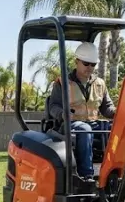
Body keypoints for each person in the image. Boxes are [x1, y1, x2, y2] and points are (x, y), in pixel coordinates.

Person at [47, 41, 115, 180]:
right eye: (86, 63)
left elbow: (107, 107)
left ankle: (113, 172)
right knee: (84, 129)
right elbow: (53, 106)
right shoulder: (63, 82)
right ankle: (86, 175)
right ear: (76, 61)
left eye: (93, 64)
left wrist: (117, 111)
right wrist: (62, 114)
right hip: (70, 125)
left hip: (94, 124)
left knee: (115, 128)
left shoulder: (100, 83)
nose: (89, 67)